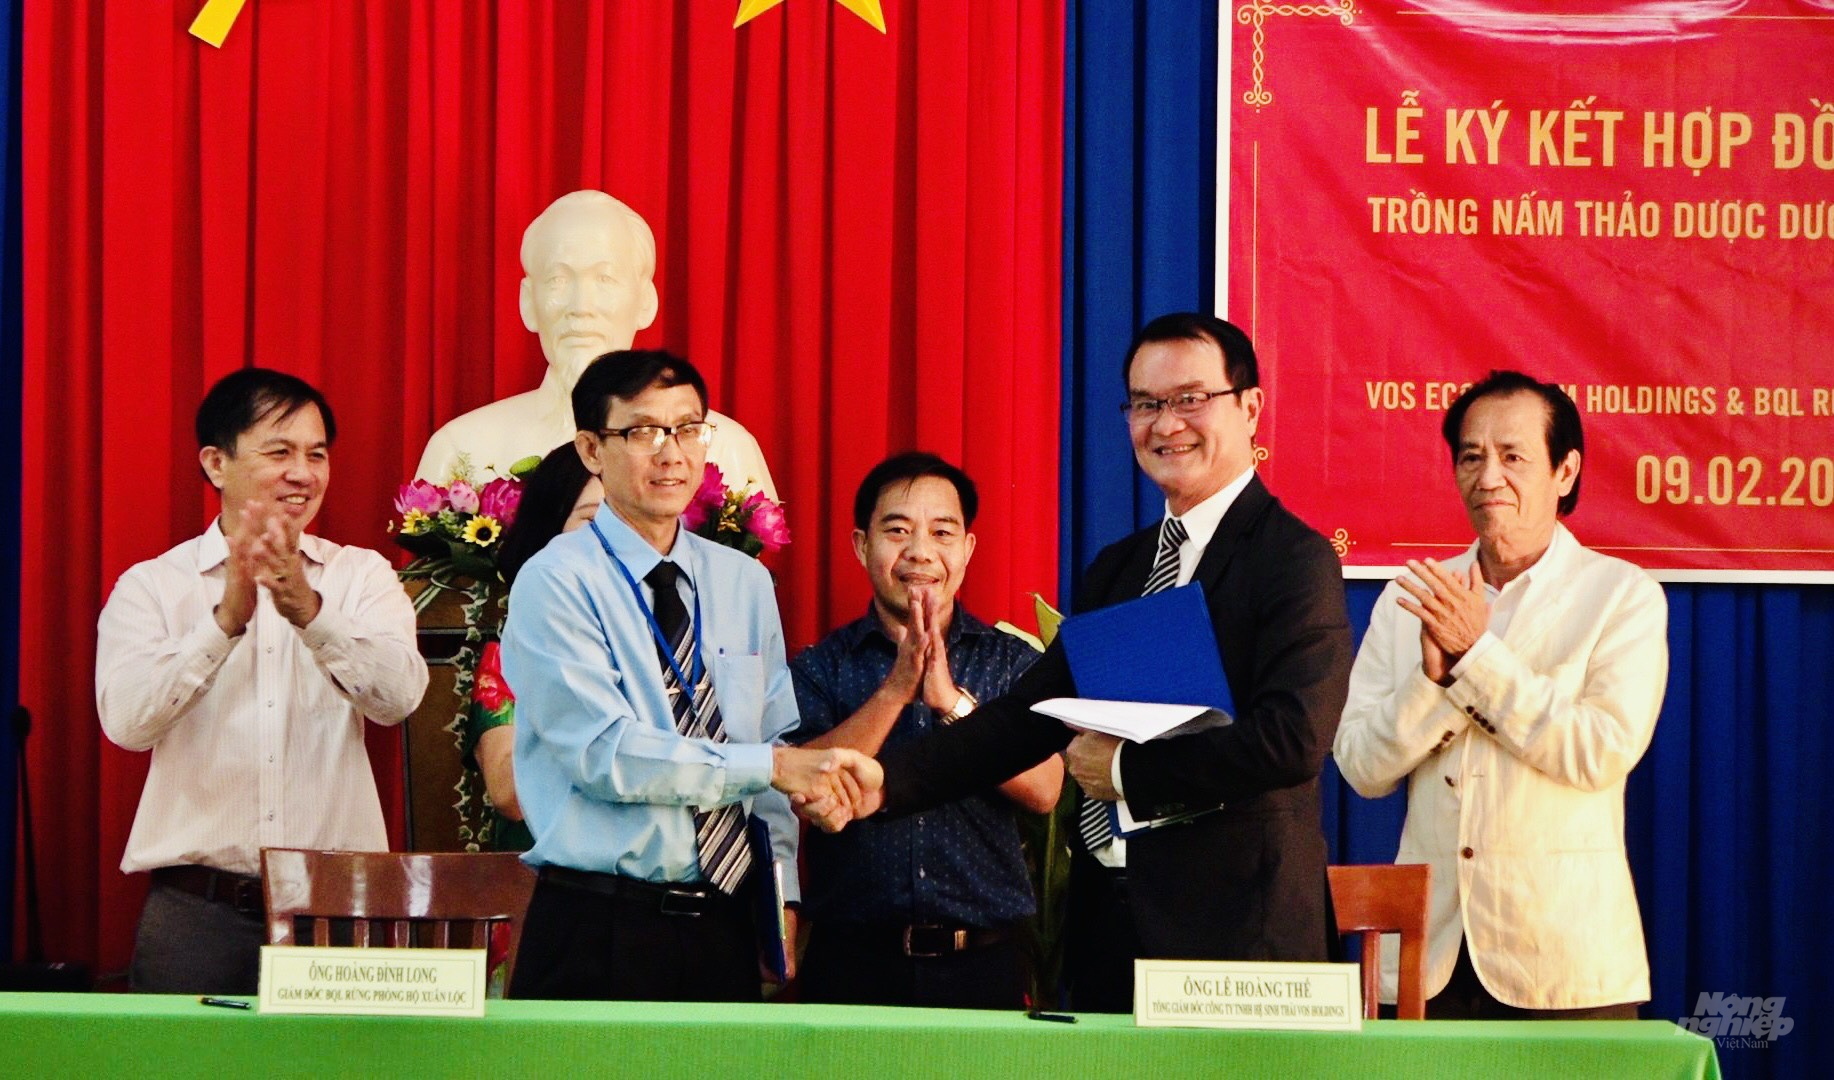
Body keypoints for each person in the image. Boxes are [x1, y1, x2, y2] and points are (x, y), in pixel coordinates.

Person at [823, 313, 1354, 1013]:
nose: (1167, 424)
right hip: (1111, 928)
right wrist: (883, 784)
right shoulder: (1120, 570)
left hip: (1237, 939)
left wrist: (1128, 773)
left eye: (1191, 399)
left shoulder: (1292, 559)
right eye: (1146, 404)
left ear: (1250, 407)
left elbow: (1292, 739)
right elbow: (1024, 720)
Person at [499, 349, 876, 1002]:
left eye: (689, 427)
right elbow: (606, 755)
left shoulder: (744, 582)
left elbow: (773, 743)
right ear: (591, 449)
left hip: (723, 922)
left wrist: (781, 893)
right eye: (643, 430)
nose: (671, 452)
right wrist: (773, 767)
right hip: (599, 924)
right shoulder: (556, 581)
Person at [1333, 371, 1666, 1019]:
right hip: (1426, 964)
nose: (1489, 478)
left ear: (1564, 471)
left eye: (1513, 457)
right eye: (1471, 457)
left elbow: (1598, 752)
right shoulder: (1413, 600)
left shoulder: (1620, 596)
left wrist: (1474, 660)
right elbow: (1360, 767)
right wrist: (1430, 683)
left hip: (1564, 961)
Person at [96, 369, 429, 994]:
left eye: (317, 454)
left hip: (338, 911)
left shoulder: (362, 577)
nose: (303, 473)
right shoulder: (152, 586)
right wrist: (224, 622)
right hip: (197, 913)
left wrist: (310, 612)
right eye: (280, 452)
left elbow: (399, 700)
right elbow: (127, 725)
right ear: (217, 463)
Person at [789, 452, 1063, 1009]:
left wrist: (949, 700)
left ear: (967, 549)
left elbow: (1045, 790)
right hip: (851, 967)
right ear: (862, 546)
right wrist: (896, 689)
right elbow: (802, 788)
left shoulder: (1011, 664)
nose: (920, 552)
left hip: (981, 966)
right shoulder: (821, 666)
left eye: (942, 532)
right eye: (897, 531)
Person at [415, 190, 776, 498]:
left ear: (646, 302)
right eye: (557, 280)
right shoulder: (461, 450)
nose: (580, 306)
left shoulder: (725, 449)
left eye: (604, 279)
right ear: (528, 303)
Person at [460, 444, 604, 853]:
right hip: (541, 882)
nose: (613, 535)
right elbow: (508, 794)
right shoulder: (512, 650)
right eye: (592, 518)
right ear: (549, 529)